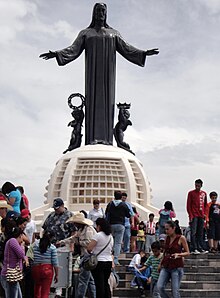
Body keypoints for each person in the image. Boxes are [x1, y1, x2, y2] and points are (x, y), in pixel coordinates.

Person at [39, 3, 159, 146]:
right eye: (98, 10)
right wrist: (57, 54)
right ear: (93, 13)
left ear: (106, 13)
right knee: (93, 102)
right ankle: (92, 140)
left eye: (103, 10)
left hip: (108, 75)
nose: (100, 13)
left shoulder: (113, 33)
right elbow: (74, 49)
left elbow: (127, 48)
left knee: (107, 101)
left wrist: (143, 53)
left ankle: (107, 140)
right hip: (92, 74)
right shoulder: (86, 33)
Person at [66, 212, 96, 298]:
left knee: (83, 280)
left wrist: (79, 243)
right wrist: (62, 242)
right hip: (84, 256)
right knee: (89, 280)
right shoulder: (81, 230)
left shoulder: (88, 230)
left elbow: (89, 243)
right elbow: (73, 238)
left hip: (88, 256)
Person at [157, 220, 190, 298]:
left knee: (175, 291)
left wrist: (178, 254)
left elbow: (187, 252)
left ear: (173, 228)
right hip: (166, 265)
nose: (166, 231)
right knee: (160, 287)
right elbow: (165, 252)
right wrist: (160, 263)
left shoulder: (181, 238)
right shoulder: (166, 238)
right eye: (165, 229)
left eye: (168, 229)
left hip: (176, 266)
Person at [87, 218, 114, 298]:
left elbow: (89, 248)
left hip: (99, 262)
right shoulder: (110, 236)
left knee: (99, 284)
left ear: (99, 226)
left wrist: (91, 253)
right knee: (105, 282)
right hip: (108, 261)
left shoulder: (97, 235)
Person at [0, 227, 29, 298]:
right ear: (20, 235)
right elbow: (21, 254)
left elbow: (22, 256)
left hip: (14, 276)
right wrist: (22, 246)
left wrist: (25, 258)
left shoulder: (13, 242)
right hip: (10, 276)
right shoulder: (13, 241)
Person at [105, 190, 131, 265]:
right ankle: (115, 259)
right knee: (118, 243)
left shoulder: (110, 204)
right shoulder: (123, 204)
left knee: (110, 241)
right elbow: (128, 215)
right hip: (120, 225)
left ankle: (109, 257)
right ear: (121, 197)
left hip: (111, 224)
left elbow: (106, 214)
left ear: (114, 196)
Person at [31, 230, 59, 298]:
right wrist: (57, 275)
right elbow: (55, 263)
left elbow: (31, 254)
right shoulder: (52, 247)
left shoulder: (35, 244)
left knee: (37, 289)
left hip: (35, 269)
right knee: (45, 292)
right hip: (47, 270)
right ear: (52, 238)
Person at [186, 179, 208, 254]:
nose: (197, 187)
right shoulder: (191, 193)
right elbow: (188, 205)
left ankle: (200, 247)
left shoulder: (204, 193)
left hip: (201, 215)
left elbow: (205, 204)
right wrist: (190, 215)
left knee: (200, 232)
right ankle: (194, 248)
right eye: (196, 185)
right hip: (194, 215)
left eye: (198, 186)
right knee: (193, 232)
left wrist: (204, 214)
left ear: (201, 185)